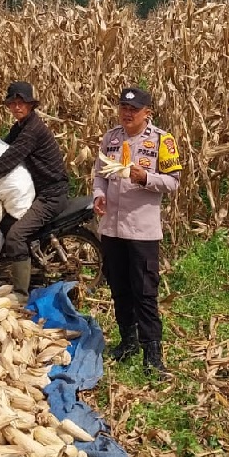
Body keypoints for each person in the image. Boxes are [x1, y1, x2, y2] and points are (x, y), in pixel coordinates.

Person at [92, 86, 182, 377]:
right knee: (119, 288)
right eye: (123, 108)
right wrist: (98, 195)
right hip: (112, 230)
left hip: (141, 231)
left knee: (144, 293)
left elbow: (173, 182)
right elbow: (100, 175)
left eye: (134, 109)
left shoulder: (161, 142)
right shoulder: (112, 139)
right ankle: (127, 342)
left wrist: (145, 178)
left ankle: (152, 354)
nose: (127, 113)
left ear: (147, 113)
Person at [0, 81, 69, 296]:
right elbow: (0, 149)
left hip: (51, 195)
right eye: (12, 103)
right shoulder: (21, 126)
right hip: (40, 192)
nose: (16, 107)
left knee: (16, 235)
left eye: (21, 103)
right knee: (2, 220)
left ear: (30, 105)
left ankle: (20, 293)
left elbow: (9, 159)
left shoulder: (33, 130)